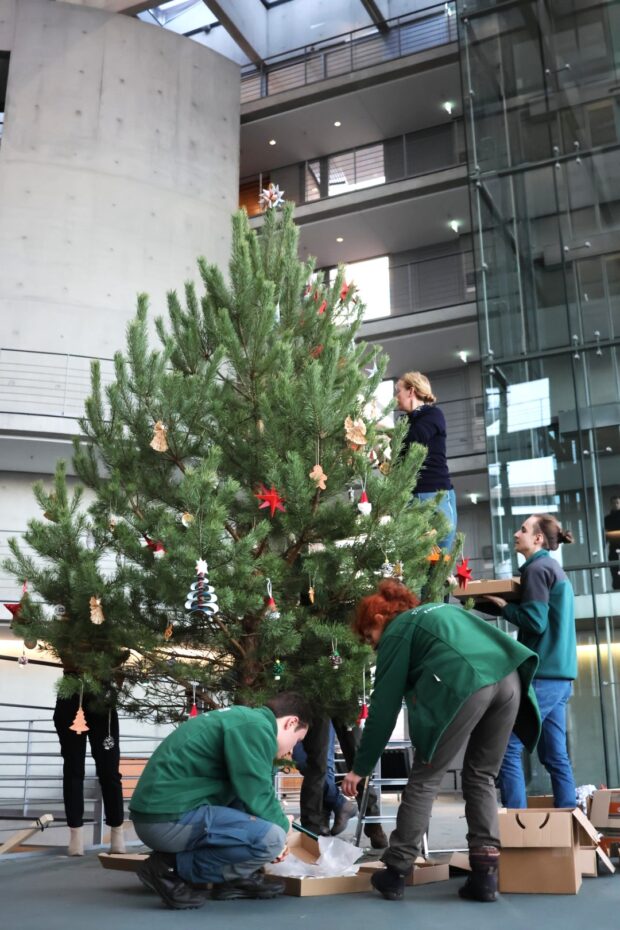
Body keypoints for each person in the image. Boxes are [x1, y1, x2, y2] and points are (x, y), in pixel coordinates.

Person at [342, 579, 540, 903]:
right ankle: (485, 874)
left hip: (468, 680)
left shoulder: (398, 631)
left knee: (426, 777)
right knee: (482, 776)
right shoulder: (441, 613)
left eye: (369, 638)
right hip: (509, 680)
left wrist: (359, 768)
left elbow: (383, 708)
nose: (372, 646)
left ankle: (395, 872)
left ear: (379, 619)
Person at [130, 692, 311, 910]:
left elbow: (244, 796)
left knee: (263, 829)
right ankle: (168, 868)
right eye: (297, 740)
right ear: (291, 722)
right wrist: (283, 829)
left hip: (165, 816)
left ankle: (232, 880)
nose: (292, 750)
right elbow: (257, 791)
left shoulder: (244, 721)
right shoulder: (255, 727)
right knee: (271, 838)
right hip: (169, 820)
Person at [485, 513, 578, 809]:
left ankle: (517, 824)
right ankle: (569, 822)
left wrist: (503, 606)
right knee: (555, 756)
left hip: (543, 675)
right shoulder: (552, 568)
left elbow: (535, 623)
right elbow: (541, 618)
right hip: (561, 677)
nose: (516, 533)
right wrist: (505, 608)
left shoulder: (537, 569)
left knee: (508, 748)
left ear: (537, 538)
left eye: (523, 529)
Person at [54, 657, 126, 857]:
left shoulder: (109, 626)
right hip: (71, 693)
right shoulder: (68, 626)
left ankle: (117, 831)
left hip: (101, 694)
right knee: (73, 768)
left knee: (109, 770)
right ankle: (75, 834)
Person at [298, 715, 388, 848]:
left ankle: (372, 822)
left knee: (357, 755)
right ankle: (313, 829)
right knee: (317, 759)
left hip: (346, 698)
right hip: (316, 699)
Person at [395, 371, 456, 552]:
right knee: (415, 557)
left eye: (398, 391)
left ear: (411, 391)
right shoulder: (405, 421)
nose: (396, 397)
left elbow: (415, 441)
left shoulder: (432, 414)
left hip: (434, 493)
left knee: (438, 555)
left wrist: (390, 434)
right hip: (411, 494)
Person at [292, 721, 357, 836]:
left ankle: (321, 822)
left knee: (323, 763)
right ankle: (339, 802)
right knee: (304, 761)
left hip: (323, 709)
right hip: (294, 709)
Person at [604, 495, 620, 590]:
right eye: (614, 503)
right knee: (614, 569)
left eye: (618, 502)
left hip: (614, 545)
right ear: (611, 504)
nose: (616, 505)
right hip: (613, 547)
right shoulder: (607, 519)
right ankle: (617, 587)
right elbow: (606, 534)